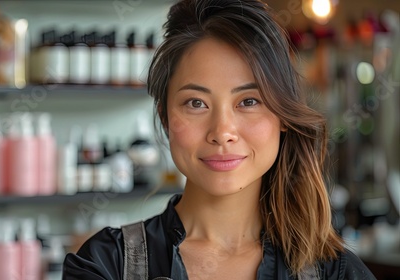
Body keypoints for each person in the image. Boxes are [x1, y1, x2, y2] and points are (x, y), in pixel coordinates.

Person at [63, 0, 376, 279]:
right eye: (196, 103)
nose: (222, 132)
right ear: (164, 117)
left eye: (249, 101)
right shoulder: (106, 265)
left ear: (282, 115)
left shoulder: (335, 271)